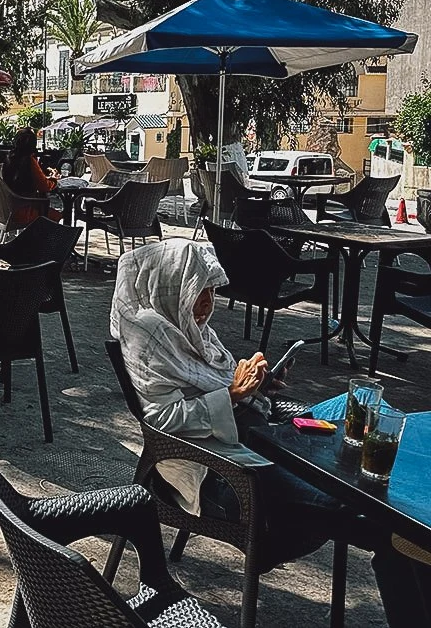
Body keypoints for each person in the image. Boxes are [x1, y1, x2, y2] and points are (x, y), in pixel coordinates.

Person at [112, 239, 431, 626]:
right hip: (220, 468)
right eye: (198, 291)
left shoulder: (194, 330)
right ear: (171, 288)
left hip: (257, 433)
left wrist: (258, 386)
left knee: (363, 401)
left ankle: (409, 497)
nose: (207, 303)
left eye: (212, 291)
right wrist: (232, 393)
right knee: (387, 522)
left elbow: (220, 385)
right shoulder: (152, 336)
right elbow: (162, 419)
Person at [2, 127, 60, 225]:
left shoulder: (9, 159)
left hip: (7, 209)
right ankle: (49, 240)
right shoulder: (28, 160)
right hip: (25, 210)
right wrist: (55, 179)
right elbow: (44, 186)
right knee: (58, 215)